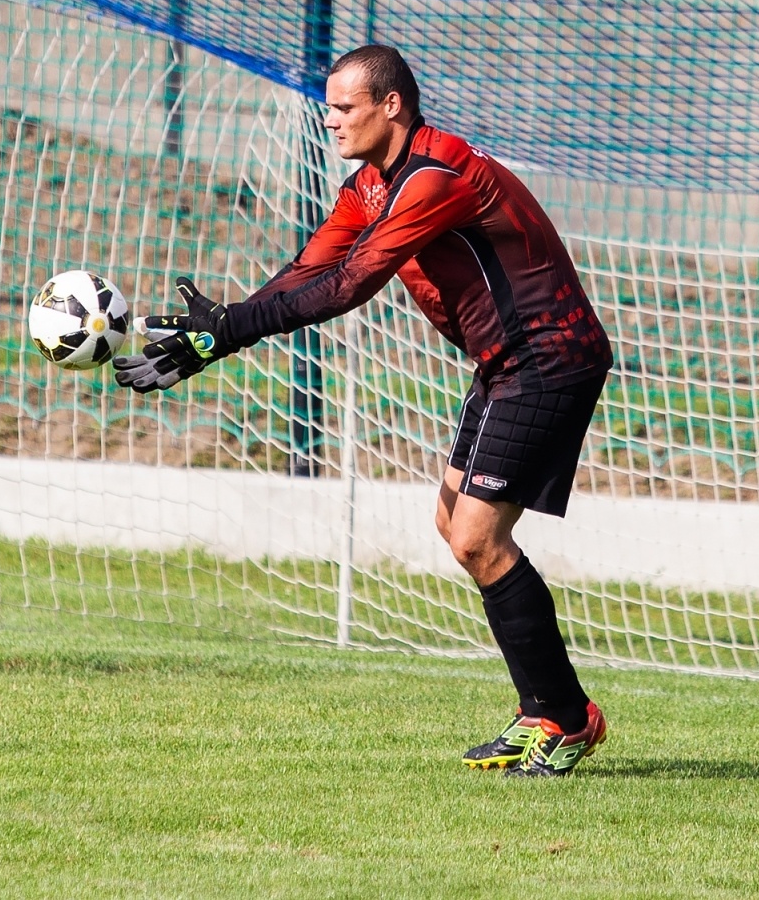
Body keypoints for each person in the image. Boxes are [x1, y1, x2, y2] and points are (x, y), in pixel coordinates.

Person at [112, 44, 612, 778]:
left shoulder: (436, 177)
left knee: (476, 537)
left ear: (391, 106)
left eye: (344, 107)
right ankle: (544, 710)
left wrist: (231, 330)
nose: (332, 121)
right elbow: (311, 267)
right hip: (508, 363)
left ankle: (567, 720)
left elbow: (350, 285)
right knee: (455, 526)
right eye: (330, 108)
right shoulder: (368, 187)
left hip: (551, 358)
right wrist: (215, 332)